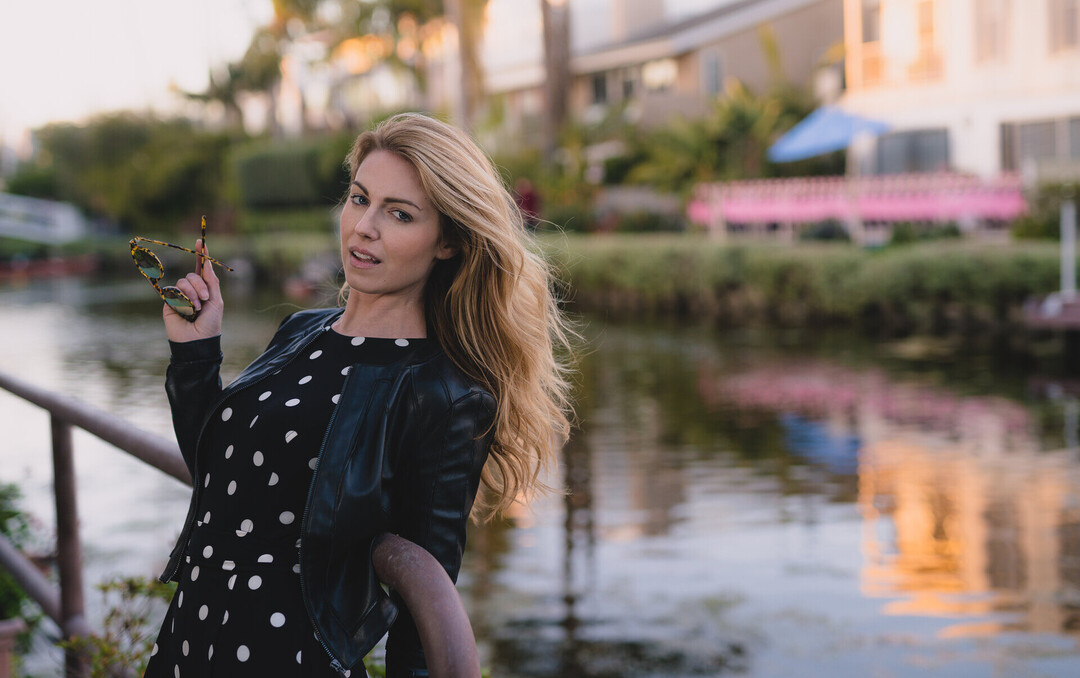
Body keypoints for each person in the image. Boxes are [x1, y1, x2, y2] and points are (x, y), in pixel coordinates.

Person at [143, 112, 574, 678]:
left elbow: (423, 607)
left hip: (287, 660)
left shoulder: (443, 393)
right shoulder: (300, 332)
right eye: (359, 199)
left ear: (447, 242)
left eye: (399, 213)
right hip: (187, 641)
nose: (364, 226)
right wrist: (195, 355)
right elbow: (222, 476)